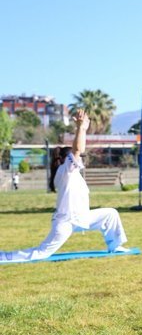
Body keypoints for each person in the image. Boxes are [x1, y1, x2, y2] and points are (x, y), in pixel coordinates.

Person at [0, 110, 129, 262]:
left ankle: (115, 245)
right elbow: (77, 150)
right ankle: (4, 256)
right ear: (67, 159)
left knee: (110, 214)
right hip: (66, 222)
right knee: (41, 253)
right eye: (77, 158)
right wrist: (81, 128)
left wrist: (84, 130)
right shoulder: (65, 170)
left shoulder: (72, 173)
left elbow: (78, 151)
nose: (81, 159)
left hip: (83, 217)